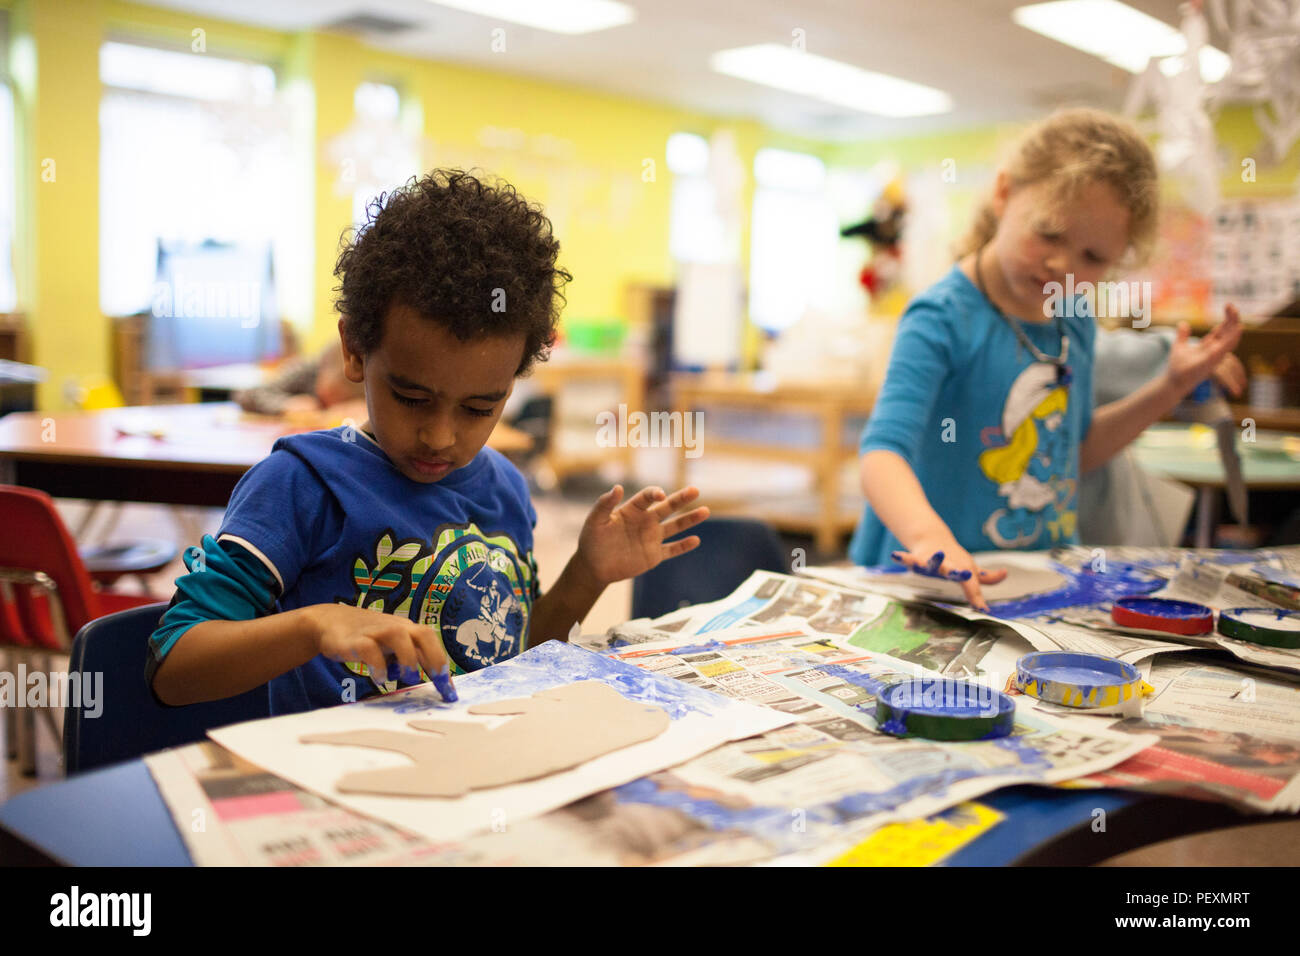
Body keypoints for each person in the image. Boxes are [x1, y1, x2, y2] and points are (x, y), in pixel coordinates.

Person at [149, 169, 708, 714]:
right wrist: (312, 626)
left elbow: (509, 657)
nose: (441, 436)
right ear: (354, 350)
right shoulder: (301, 484)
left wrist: (585, 576)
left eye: (479, 407)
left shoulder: (505, 489)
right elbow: (174, 666)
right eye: (412, 399)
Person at [850, 108, 1242, 609]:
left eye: (1094, 258)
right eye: (1050, 233)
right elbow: (882, 453)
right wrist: (930, 538)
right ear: (1003, 193)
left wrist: (1168, 389)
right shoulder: (941, 317)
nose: (1062, 265)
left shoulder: (1071, 316)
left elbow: (1073, 456)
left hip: (1036, 579)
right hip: (932, 584)